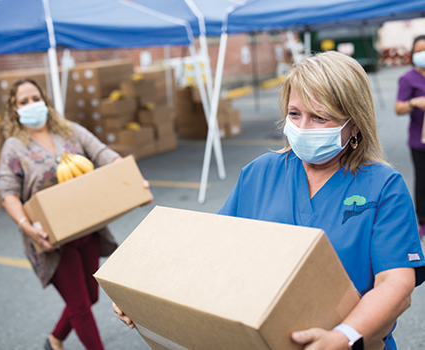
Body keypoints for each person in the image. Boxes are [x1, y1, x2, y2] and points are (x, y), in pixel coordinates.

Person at [114, 51, 425, 350]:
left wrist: (343, 337)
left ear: (354, 123)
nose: (302, 128)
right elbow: (206, 251)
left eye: (320, 117)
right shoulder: (259, 174)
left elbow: (395, 285)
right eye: (294, 114)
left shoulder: (383, 186)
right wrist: (144, 289)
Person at [0, 78, 151, 350]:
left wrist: (128, 177)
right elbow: (8, 192)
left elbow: (102, 153)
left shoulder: (70, 132)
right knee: (79, 305)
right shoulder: (14, 146)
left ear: (44, 100)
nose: (32, 105)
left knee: (90, 296)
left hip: (86, 228)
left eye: (36, 98)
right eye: (24, 102)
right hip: (52, 239)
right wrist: (25, 224)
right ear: (14, 109)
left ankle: (54, 340)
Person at [395, 34, 425, 239]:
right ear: (413, 54)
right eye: (419, 51)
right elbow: (398, 108)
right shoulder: (408, 79)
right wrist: (414, 103)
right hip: (419, 141)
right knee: (422, 182)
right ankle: (423, 221)